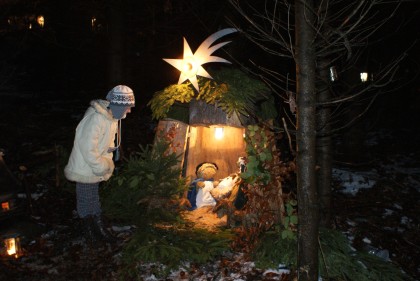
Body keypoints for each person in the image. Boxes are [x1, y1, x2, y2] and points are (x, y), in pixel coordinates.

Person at [64, 85, 135, 243]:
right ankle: (90, 234)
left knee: (93, 199)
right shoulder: (97, 118)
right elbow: (87, 147)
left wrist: (108, 159)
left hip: (93, 166)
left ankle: (99, 230)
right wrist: (101, 166)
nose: (129, 111)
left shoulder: (111, 119)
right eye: (128, 107)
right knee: (85, 200)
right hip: (85, 167)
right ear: (118, 105)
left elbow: (108, 143)